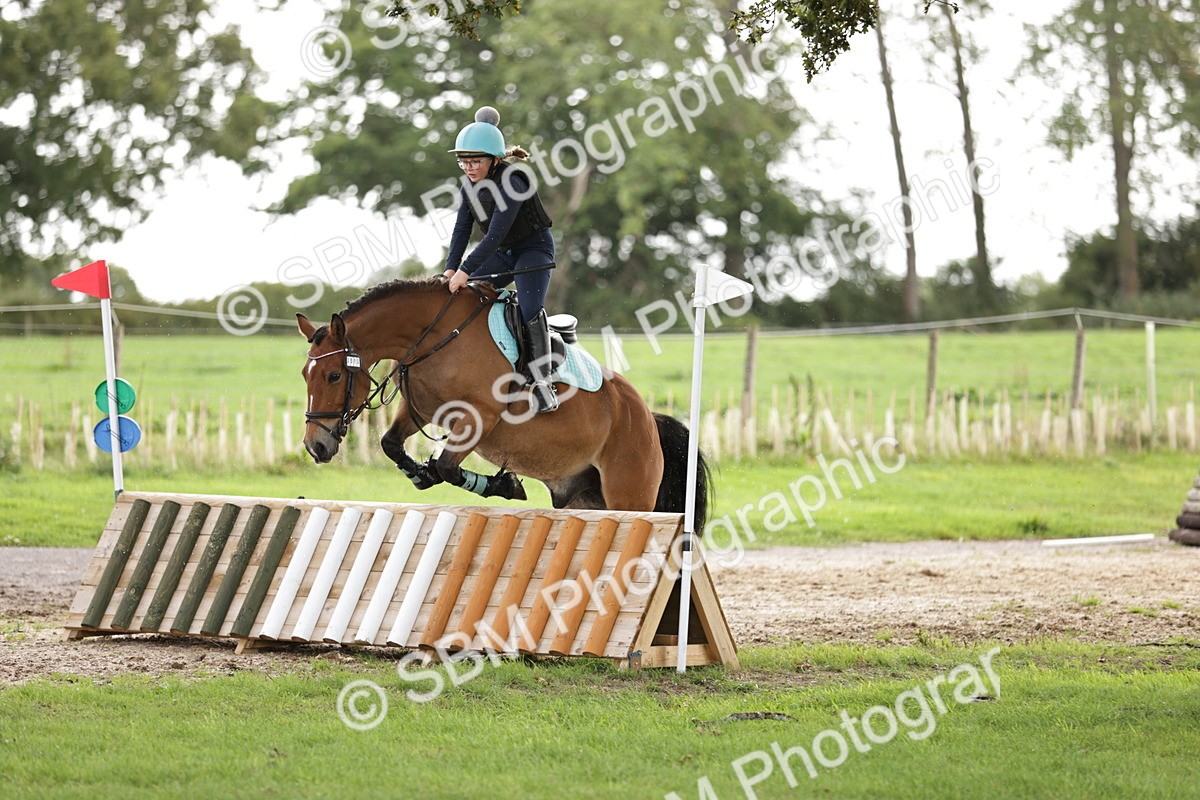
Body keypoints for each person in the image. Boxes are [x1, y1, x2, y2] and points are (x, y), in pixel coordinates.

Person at [442, 106, 560, 413]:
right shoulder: (468, 184)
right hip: (503, 252)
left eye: (475, 161)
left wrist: (466, 270)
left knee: (529, 309)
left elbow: (493, 235)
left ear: (494, 160)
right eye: (463, 161)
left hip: (533, 250)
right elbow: (462, 228)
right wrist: (450, 268)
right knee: (465, 298)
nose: (468, 167)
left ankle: (543, 382)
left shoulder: (514, 180)